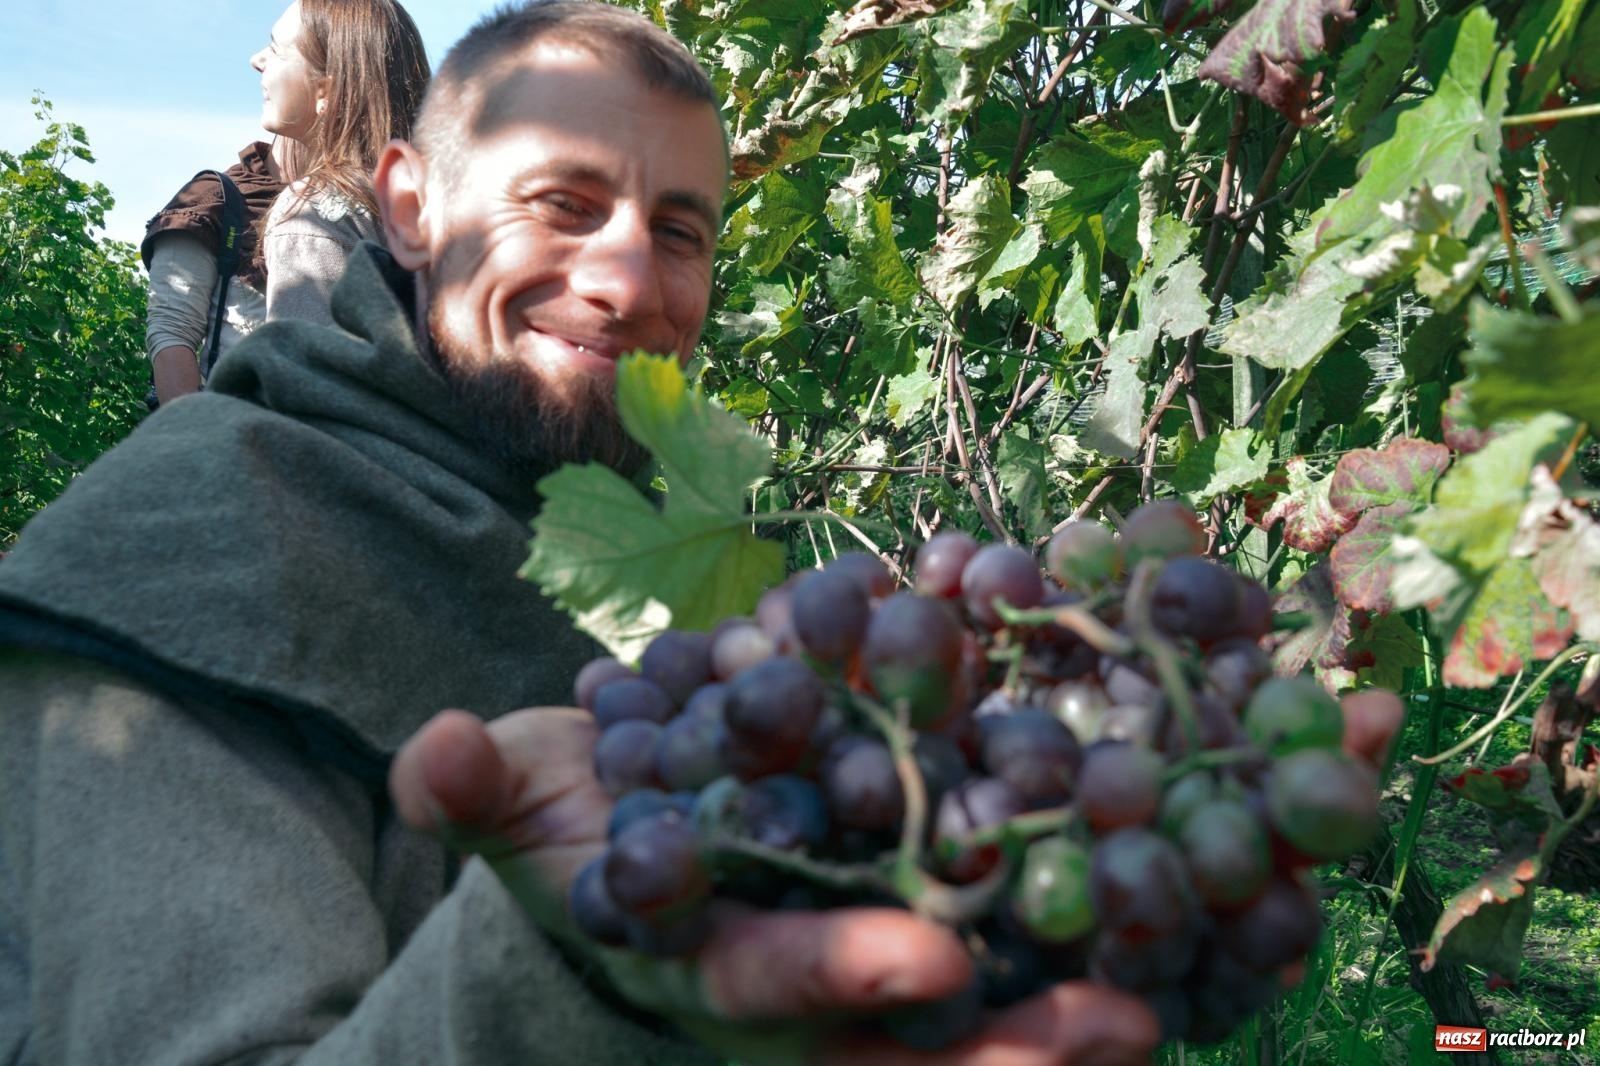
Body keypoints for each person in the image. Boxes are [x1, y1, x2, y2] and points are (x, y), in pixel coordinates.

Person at [0, 3, 1402, 1063]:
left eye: (682, 231)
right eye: (564, 203)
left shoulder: (650, 548)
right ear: (412, 207)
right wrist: (585, 963)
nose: (627, 280)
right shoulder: (195, 539)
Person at [141, 0, 428, 406]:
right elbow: (172, 326)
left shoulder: (310, 214)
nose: (256, 60)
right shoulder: (433, 207)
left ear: (326, 89)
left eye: (276, 48)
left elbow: (303, 396)